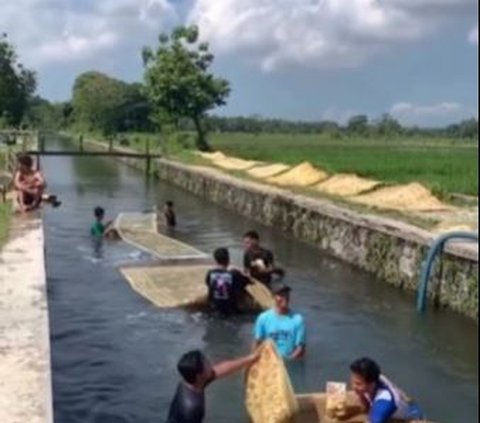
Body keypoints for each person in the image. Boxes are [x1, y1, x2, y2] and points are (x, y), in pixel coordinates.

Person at [165, 350, 258, 423]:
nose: (210, 363)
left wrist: (250, 358)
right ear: (199, 375)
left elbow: (221, 369)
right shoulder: (193, 408)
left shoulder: (192, 381)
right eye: (206, 363)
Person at [349, 357, 424, 423]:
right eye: (353, 381)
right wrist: (361, 395)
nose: (353, 386)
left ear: (371, 383)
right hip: (404, 403)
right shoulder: (375, 377)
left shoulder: (383, 403)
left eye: (358, 384)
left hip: (410, 417)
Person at [253, 283, 306, 361]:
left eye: (286, 295)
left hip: (289, 361)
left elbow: (301, 348)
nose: (285, 298)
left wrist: (289, 361)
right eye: (281, 295)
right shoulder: (263, 318)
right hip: (269, 362)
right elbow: (257, 343)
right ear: (273, 297)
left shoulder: (298, 319)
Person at [205, 247, 251, 316]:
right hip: (232, 310)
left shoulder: (210, 273)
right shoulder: (235, 273)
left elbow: (209, 285)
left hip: (214, 309)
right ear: (228, 259)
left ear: (215, 260)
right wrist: (246, 274)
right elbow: (250, 282)